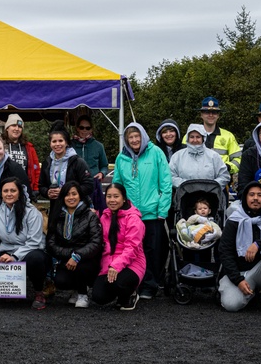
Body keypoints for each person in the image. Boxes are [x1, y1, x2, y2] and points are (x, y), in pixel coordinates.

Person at [113, 121, 172, 299]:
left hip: (152, 213)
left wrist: (162, 209)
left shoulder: (156, 153)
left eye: (137, 136)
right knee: (130, 250)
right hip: (130, 215)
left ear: (143, 136)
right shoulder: (121, 158)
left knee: (152, 251)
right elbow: (117, 185)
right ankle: (133, 284)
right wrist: (118, 208)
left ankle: (150, 285)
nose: (134, 140)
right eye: (130, 137)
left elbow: (166, 183)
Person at [217, 181, 261, 316]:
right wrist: (237, 280)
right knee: (231, 304)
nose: (255, 198)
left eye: (260, 195)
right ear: (245, 198)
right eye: (251, 195)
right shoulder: (234, 220)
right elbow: (224, 252)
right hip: (239, 272)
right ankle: (251, 293)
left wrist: (259, 244)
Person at [0, 177, 48, 310]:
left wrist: (14, 257)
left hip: (30, 252)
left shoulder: (32, 213)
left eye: (13, 190)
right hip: (7, 251)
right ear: (0, 194)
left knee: (35, 259)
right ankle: (14, 288)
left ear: (19, 192)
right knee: (0, 257)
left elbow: (34, 242)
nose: (9, 194)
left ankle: (38, 292)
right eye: (5, 191)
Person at [46, 181, 103, 308]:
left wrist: (77, 255)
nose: (71, 197)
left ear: (80, 196)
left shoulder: (90, 215)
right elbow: (50, 243)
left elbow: (96, 242)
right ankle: (76, 289)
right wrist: (70, 254)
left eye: (74, 194)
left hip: (86, 259)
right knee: (60, 281)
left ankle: (83, 293)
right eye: (67, 194)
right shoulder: (56, 215)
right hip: (66, 258)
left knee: (81, 267)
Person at [92, 183, 146, 311]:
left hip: (132, 263)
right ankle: (120, 293)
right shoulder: (104, 217)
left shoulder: (134, 219)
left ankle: (130, 293)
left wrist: (116, 266)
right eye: (109, 196)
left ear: (123, 198)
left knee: (117, 283)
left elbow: (132, 248)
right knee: (98, 297)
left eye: (116, 196)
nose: (112, 200)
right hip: (109, 262)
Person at [39, 121, 93, 233]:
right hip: (55, 209)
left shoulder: (77, 161)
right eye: (54, 141)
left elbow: (88, 185)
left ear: (66, 143)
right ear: (50, 143)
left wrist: (67, 192)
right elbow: (41, 185)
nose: (57, 144)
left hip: (77, 209)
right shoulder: (47, 162)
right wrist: (47, 192)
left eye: (60, 141)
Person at [185, 97, 241, 175]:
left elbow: (238, 159)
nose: (211, 115)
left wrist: (228, 167)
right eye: (207, 112)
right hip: (194, 180)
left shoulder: (228, 136)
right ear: (201, 114)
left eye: (214, 112)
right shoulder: (189, 136)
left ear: (218, 115)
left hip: (221, 180)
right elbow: (182, 157)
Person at [168, 124, 230, 189]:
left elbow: (224, 176)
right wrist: (187, 186)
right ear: (187, 138)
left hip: (210, 196)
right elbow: (170, 176)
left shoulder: (214, 156)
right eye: (192, 137)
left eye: (198, 137)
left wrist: (210, 187)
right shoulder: (177, 156)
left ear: (203, 138)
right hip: (185, 196)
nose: (195, 140)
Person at [1, 113, 42, 196]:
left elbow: (36, 168)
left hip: (24, 188)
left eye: (19, 127)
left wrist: (35, 188)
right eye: (13, 125)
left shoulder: (29, 147)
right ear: (7, 128)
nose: (17, 129)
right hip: (4, 188)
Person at [71, 115, 108, 181]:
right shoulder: (70, 145)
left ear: (91, 129)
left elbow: (104, 166)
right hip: (74, 184)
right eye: (81, 127)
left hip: (93, 183)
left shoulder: (99, 146)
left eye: (87, 128)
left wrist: (102, 173)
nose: (84, 130)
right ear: (77, 128)